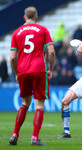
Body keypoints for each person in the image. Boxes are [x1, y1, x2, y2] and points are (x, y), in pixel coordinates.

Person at [9, 6, 55, 146]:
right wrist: (51, 69)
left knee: (24, 103)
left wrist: (17, 73)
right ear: (36, 17)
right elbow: (51, 51)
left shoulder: (16, 33)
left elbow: (12, 58)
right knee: (39, 105)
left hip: (23, 70)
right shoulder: (43, 30)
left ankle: (14, 135)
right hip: (39, 69)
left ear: (24, 17)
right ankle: (34, 138)